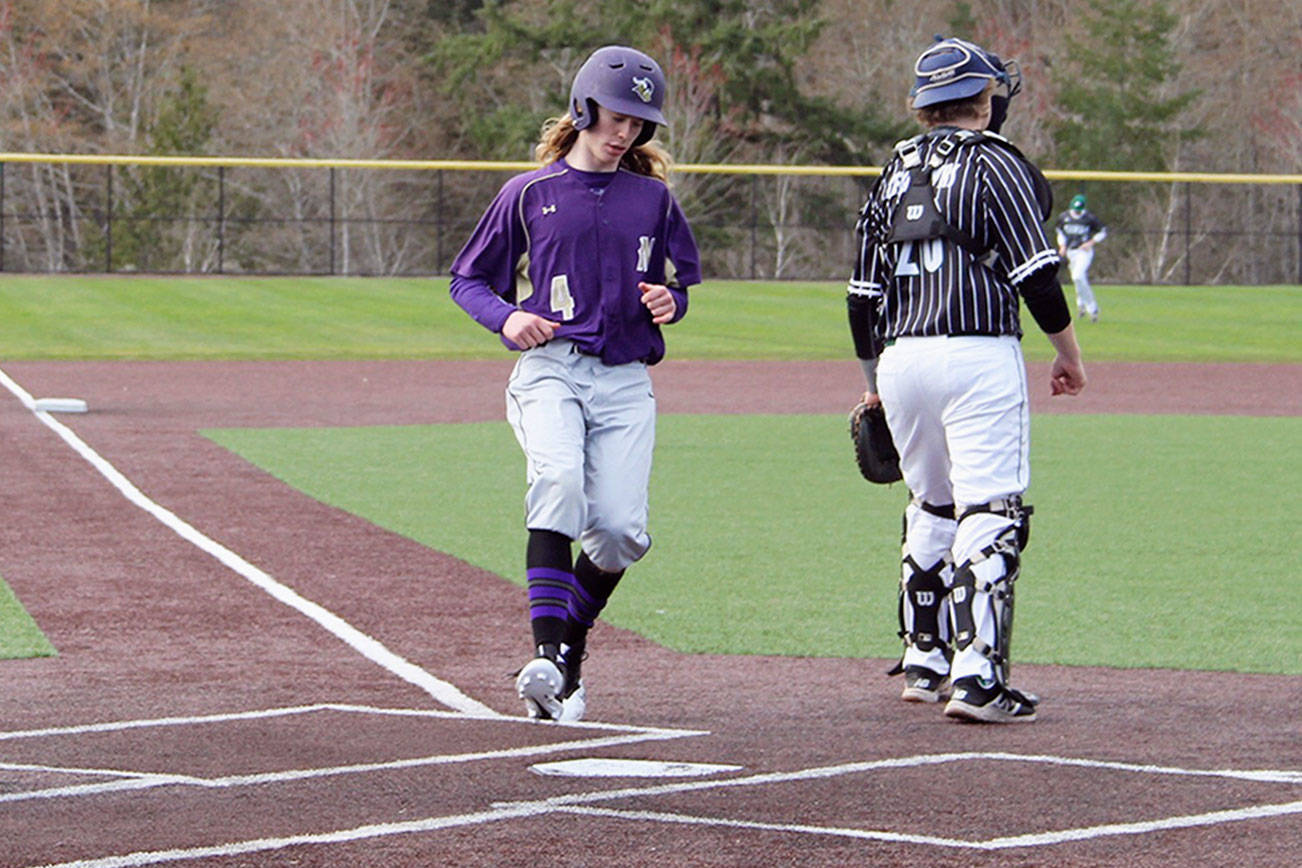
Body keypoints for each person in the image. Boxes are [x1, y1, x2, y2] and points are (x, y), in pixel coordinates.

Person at [449, 45, 701, 722]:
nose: (626, 134)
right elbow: (467, 280)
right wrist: (508, 318)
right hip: (552, 369)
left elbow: (681, 285)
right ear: (584, 109)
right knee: (558, 482)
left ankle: (568, 653)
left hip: (624, 380)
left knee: (618, 533)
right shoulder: (528, 194)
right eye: (616, 117)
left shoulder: (653, 199)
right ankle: (544, 654)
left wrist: (672, 303)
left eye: (639, 124)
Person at [846, 35, 1086, 723]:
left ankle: (925, 659)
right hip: (977, 352)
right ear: (985, 100)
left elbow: (863, 295)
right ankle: (979, 675)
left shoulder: (893, 167)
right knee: (991, 508)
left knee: (931, 500)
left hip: (902, 358)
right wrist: (1068, 353)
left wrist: (872, 380)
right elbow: (1036, 274)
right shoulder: (997, 163)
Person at [1054, 194, 1107, 322]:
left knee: (1077, 276)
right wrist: (1062, 246)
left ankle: (1092, 308)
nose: (1076, 212)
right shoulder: (1064, 217)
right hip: (1070, 252)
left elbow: (1103, 231)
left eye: (1078, 210)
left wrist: (1091, 242)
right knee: (1079, 279)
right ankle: (1081, 305)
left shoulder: (1089, 218)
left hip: (1084, 252)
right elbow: (1060, 232)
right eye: (1074, 209)